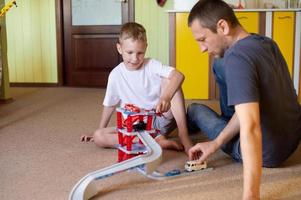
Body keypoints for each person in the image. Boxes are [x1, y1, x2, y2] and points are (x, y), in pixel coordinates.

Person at [186, 0, 301, 199]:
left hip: (269, 152)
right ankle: (234, 108)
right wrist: (214, 144)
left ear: (222, 26)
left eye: (202, 39)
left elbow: (251, 126)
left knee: (195, 109)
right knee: (218, 63)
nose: (201, 49)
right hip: (292, 139)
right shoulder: (265, 42)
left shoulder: (236, 59)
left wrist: (251, 195)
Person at [82, 22, 193, 154]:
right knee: (99, 137)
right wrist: (99, 130)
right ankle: (154, 141)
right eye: (129, 52)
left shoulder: (152, 65)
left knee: (170, 80)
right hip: (133, 125)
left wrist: (165, 97)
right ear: (119, 48)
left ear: (146, 47)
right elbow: (110, 105)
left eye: (140, 53)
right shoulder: (115, 75)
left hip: (159, 120)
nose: (135, 58)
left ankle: (183, 135)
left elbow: (178, 75)